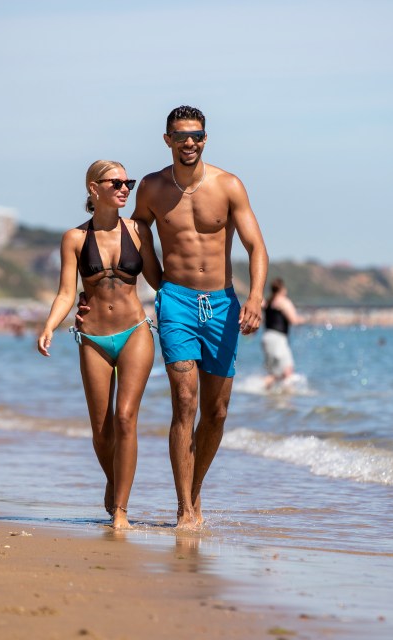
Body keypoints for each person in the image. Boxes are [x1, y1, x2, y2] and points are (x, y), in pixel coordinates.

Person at [78, 105, 268, 530]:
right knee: (185, 401)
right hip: (176, 300)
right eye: (181, 135)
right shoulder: (150, 188)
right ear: (167, 140)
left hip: (222, 303)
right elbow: (124, 240)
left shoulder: (229, 185)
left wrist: (255, 297)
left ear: (205, 138)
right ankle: (184, 509)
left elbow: (257, 247)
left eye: (197, 135)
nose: (189, 142)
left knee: (216, 413)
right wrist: (94, 291)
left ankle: (194, 489)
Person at [37, 159, 162, 530]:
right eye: (116, 182)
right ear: (94, 188)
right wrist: (49, 326)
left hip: (135, 331)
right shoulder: (74, 238)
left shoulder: (139, 230)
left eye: (129, 182)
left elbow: (157, 279)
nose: (125, 188)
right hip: (92, 338)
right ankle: (114, 481)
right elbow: (65, 292)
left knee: (125, 417)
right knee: (101, 427)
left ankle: (120, 510)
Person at [261, 278, 301, 389]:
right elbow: (294, 320)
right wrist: (306, 319)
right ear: (282, 289)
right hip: (278, 339)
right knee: (287, 370)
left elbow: (261, 320)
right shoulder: (283, 301)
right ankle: (288, 400)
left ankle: (265, 395)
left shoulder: (267, 302)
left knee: (275, 373)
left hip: (266, 338)